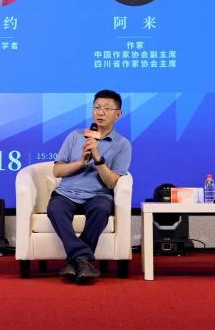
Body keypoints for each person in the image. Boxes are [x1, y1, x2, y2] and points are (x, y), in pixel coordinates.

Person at [47, 89, 132, 284]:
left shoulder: (123, 145)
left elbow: (112, 182)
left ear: (118, 114)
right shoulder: (75, 136)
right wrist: (80, 162)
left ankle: (75, 262)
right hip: (66, 193)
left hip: (98, 195)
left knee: (101, 210)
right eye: (97, 107)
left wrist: (98, 158)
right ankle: (83, 260)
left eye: (107, 108)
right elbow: (57, 171)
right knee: (55, 208)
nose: (100, 112)